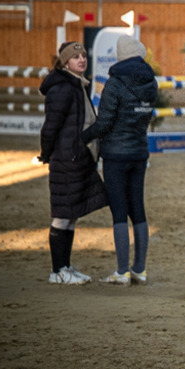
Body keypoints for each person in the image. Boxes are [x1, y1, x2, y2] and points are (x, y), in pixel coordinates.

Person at [81, 35, 159, 286]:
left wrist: (83, 138)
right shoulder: (151, 82)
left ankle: (122, 271)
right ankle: (140, 269)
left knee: (119, 211)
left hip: (115, 155)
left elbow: (104, 123)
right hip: (139, 152)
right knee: (138, 209)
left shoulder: (114, 83)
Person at [38, 41, 108, 285]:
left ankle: (65, 266)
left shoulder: (78, 85)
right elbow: (50, 127)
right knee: (61, 216)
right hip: (66, 159)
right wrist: (46, 154)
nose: (82, 60)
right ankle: (57, 271)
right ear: (65, 62)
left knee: (71, 215)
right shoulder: (62, 89)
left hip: (77, 158)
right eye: (76, 57)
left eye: (83, 56)